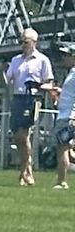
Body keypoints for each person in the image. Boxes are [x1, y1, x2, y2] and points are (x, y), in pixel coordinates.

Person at [4, 27, 55, 187]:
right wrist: (2, 73)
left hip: (32, 98)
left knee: (24, 135)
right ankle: (28, 170)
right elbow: (9, 80)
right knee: (18, 137)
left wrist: (38, 85)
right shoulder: (16, 60)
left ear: (34, 42)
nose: (22, 45)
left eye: (25, 42)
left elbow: (49, 82)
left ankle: (23, 172)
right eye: (21, 42)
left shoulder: (42, 60)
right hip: (18, 98)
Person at [53, 55, 75, 191]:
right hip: (64, 114)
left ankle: (62, 181)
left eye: (67, 56)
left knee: (62, 149)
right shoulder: (71, 73)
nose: (64, 58)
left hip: (67, 116)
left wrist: (73, 115)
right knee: (66, 149)